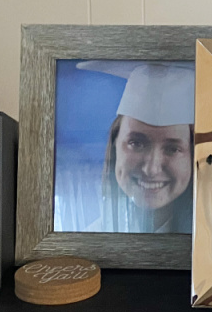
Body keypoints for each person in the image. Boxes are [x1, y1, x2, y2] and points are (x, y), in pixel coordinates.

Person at [78, 61, 195, 233]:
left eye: (172, 149)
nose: (151, 169)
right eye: (136, 143)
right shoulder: (90, 240)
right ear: (115, 147)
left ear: (193, 156)